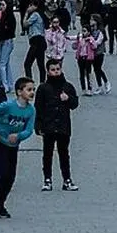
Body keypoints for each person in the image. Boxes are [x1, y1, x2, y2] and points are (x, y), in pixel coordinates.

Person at [0, 77, 37, 218]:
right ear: (19, 92)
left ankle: (0, 204)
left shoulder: (31, 111)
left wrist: (19, 136)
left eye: (33, 90)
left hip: (12, 147)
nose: (32, 93)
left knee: (10, 178)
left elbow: (29, 130)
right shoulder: (7, 106)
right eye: (29, 89)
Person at [34, 59, 79, 192]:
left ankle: (67, 179)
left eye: (57, 69)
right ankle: (47, 179)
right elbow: (38, 108)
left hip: (63, 126)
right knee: (47, 153)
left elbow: (75, 104)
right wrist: (38, 125)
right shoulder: (43, 88)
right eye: (53, 70)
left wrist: (68, 99)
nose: (55, 72)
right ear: (48, 71)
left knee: (64, 153)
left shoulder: (67, 87)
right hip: (48, 126)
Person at [22, 0, 46, 81]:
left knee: (27, 64)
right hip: (41, 40)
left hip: (36, 41)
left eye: (30, 5)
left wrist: (26, 13)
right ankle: (42, 82)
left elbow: (25, 24)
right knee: (40, 64)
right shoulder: (40, 14)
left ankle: (29, 82)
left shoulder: (35, 15)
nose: (29, 7)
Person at [0, 0, 17, 89]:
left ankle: (4, 85)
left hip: (7, 41)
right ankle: (9, 84)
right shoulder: (4, 16)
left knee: (1, 64)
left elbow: (6, 30)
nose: (2, 7)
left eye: (3, 5)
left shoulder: (9, 17)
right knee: (6, 63)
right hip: (5, 41)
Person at [88, 15, 111, 95]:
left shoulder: (100, 31)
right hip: (92, 53)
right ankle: (99, 86)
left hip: (99, 52)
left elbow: (98, 41)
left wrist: (91, 41)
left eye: (92, 20)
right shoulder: (90, 30)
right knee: (95, 69)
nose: (90, 21)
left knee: (98, 68)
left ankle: (106, 82)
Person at [73, 25, 97, 95]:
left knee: (89, 73)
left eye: (85, 31)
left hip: (88, 58)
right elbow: (76, 45)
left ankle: (89, 88)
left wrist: (91, 41)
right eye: (82, 31)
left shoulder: (91, 39)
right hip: (81, 57)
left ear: (89, 32)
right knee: (81, 74)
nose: (83, 33)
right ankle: (83, 88)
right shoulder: (81, 39)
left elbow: (94, 46)